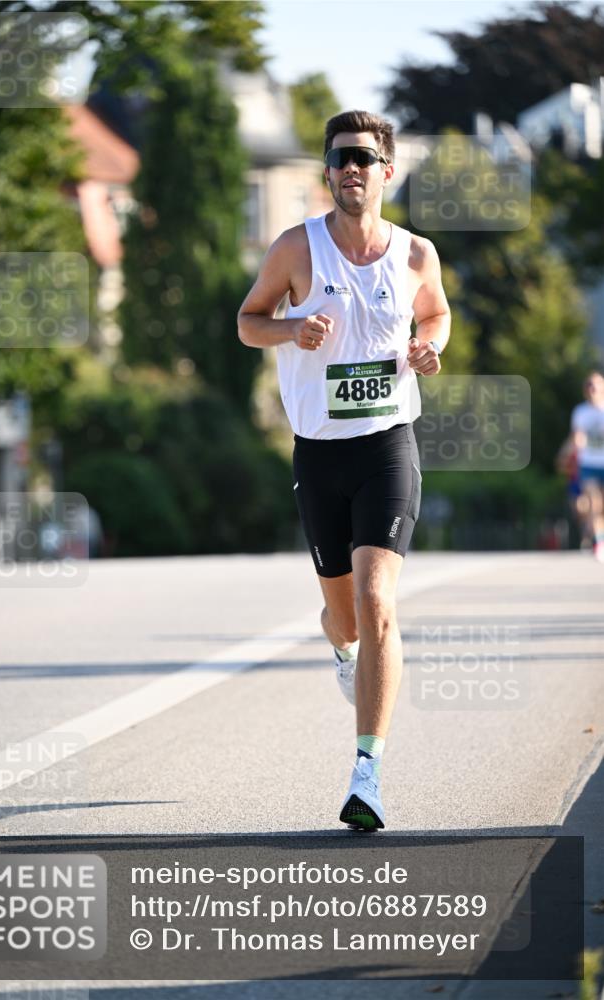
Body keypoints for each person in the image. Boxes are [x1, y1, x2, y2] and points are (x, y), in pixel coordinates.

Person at [237, 110, 450, 830]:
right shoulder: (296, 249)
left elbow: (437, 314)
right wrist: (289, 329)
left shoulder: (416, 254)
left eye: (363, 156)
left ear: (386, 170)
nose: (350, 168)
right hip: (318, 452)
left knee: (377, 601)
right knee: (343, 614)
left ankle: (367, 775)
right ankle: (342, 649)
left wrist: (428, 346)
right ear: (326, 174)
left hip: (387, 444)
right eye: (338, 159)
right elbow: (246, 320)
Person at [570, 371, 604, 561]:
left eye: (596, 384)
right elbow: (577, 434)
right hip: (589, 463)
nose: (593, 388)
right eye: (590, 385)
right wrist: (578, 443)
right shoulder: (580, 411)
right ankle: (599, 542)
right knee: (594, 502)